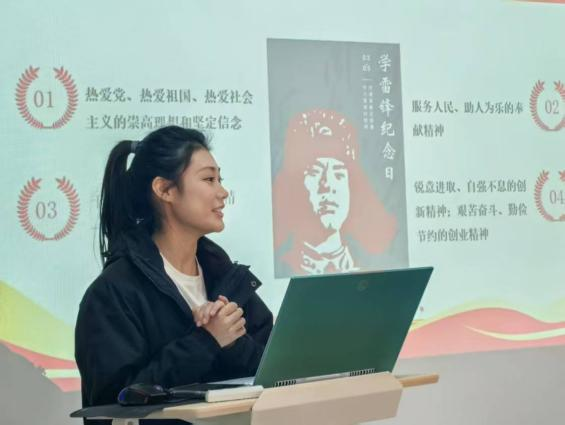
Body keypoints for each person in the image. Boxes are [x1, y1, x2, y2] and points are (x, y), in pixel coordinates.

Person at [75, 126, 273, 424]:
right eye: (209, 179)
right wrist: (206, 341)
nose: (222, 192)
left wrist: (232, 342)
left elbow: (273, 371)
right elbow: (113, 403)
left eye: (220, 180)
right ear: (164, 190)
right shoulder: (113, 293)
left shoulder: (227, 279)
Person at [272, 109, 398, 277]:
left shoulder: (373, 263)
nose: (328, 186)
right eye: (315, 173)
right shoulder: (280, 266)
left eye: (338, 174)